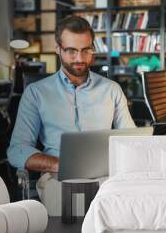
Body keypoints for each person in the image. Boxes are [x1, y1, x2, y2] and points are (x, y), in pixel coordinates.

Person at [7, 16, 135, 214]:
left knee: (127, 204)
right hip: (58, 176)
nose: (79, 58)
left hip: (106, 176)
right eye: (71, 51)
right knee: (74, 208)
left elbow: (131, 139)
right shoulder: (36, 93)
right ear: (58, 49)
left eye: (86, 50)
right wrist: (62, 165)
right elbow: (17, 150)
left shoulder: (112, 90)